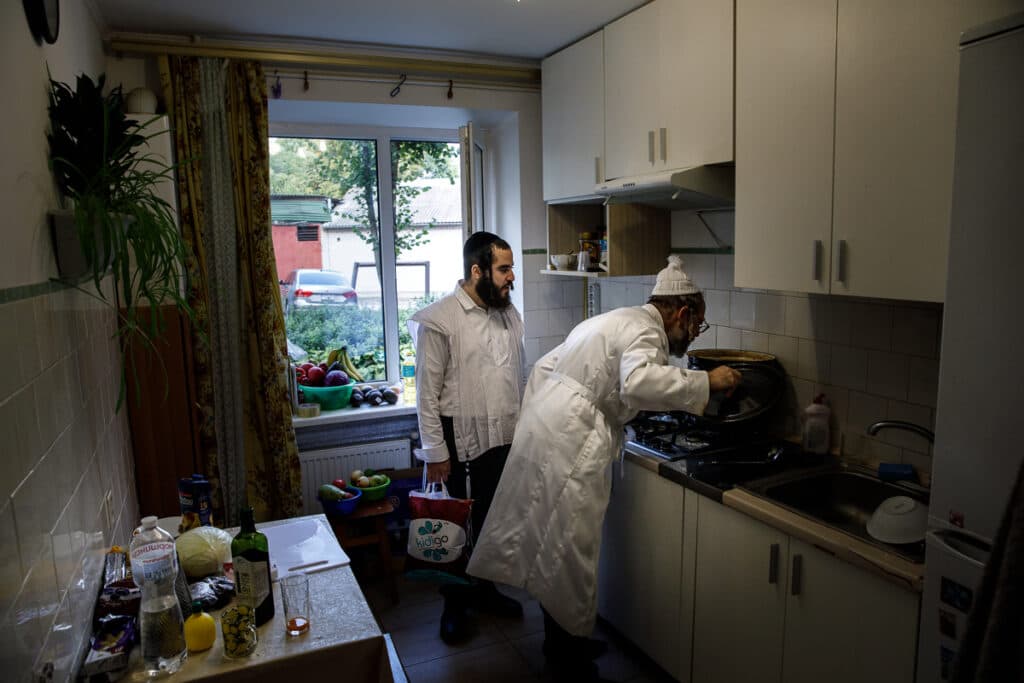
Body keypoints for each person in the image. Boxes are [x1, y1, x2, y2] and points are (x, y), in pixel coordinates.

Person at [466, 255, 741, 680]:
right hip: (573, 438)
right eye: (695, 326)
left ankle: (565, 642)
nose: (691, 336)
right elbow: (638, 383)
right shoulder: (647, 332)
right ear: (682, 313)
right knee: (568, 552)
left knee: (551, 548)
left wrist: (541, 418)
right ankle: (568, 662)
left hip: (548, 424)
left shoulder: (615, 319)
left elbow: (544, 367)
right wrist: (708, 382)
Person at [407, 231, 527, 644]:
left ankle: (485, 589)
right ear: (477, 271)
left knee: (492, 523)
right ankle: (455, 604)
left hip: (503, 437)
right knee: (456, 529)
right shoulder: (439, 319)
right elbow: (425, 394)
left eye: (511, 267)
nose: (512, 277)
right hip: (459, 443)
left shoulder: (508, 315)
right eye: (504, 268)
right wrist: (435, 453)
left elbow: (516, 375)